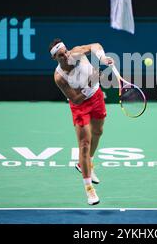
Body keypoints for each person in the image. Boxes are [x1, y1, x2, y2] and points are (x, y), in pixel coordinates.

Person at [49, 39, 113, 205]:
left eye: (66, 51)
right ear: (55, 58)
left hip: (97, 97)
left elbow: (95, 46)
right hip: (80, 106)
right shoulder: (59, 77)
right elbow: (76, 100)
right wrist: (90, 83)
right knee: (84, 143)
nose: (66, 55)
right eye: (60, 55)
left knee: (98, 132)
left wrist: (103, 58)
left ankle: (85, 163)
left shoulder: (76, 52)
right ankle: (90, 191)